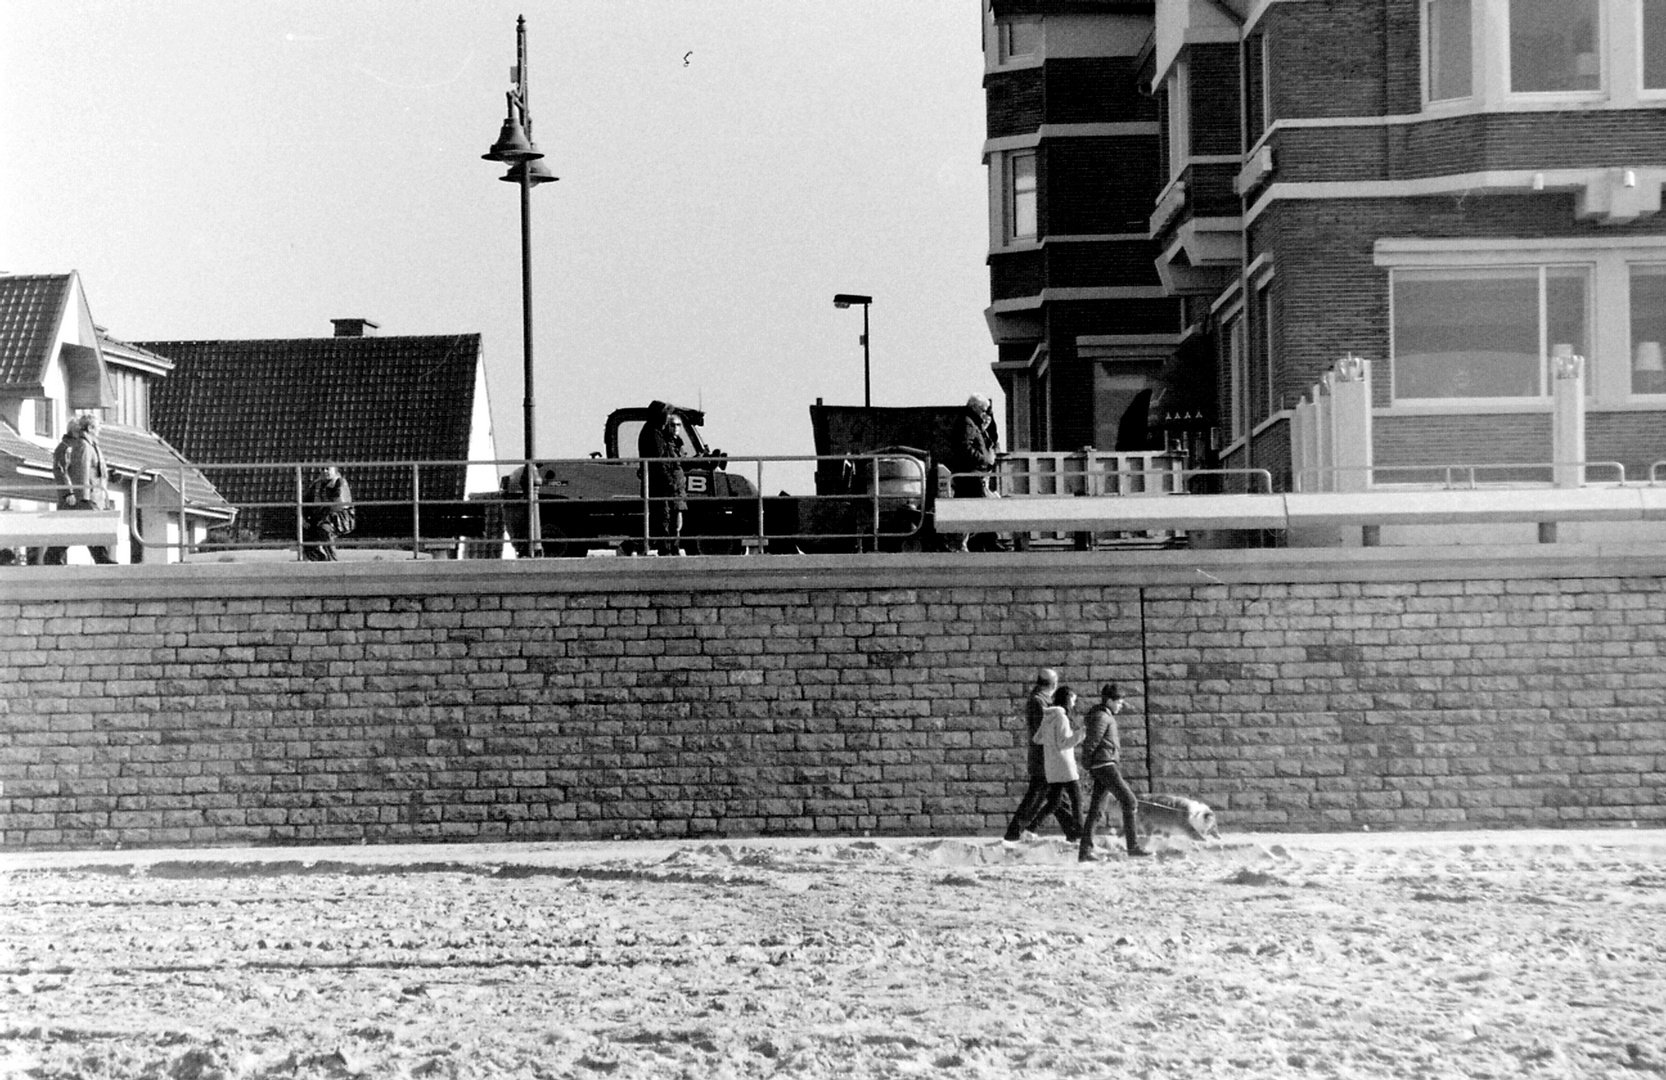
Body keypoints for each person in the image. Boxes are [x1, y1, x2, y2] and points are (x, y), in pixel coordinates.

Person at [1003, 668, 1082, 843]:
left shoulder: (1042, 701)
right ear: (1054, 684)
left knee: (1057, 798)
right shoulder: (1038, 702)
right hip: (1044, 759)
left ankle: (1074, 833)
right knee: (1037, 796)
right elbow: (1043, 733)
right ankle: (1014, 834)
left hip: (1047, 758)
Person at [1078, 683, 1151, 862]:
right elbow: (1091, 742)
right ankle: (1133, 847)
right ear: (1110, 701)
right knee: (1130, 801)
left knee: (1097, 810)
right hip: (1104, 765)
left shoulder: (1102, 715)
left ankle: (1085, 851)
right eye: (1119, 702)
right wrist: (1087, 764)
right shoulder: (1102, 717)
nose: (1121, 705)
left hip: (1103, 764)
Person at [44, 415, 116, 565]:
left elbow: (93, 471)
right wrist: (81, 496)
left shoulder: (89, 446)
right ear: (90, 428)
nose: (100, 430)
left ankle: (52, 557)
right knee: (89, 528)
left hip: (91, 496)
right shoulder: (82, 446)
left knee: (73, 529)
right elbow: (79, 472)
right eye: (97, 427)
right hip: (85, 497)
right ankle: (101, 559)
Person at [1029, 685, 1086, 842]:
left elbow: (1037, 739)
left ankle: (1031, 828)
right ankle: (1081, 833)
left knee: (1054, 803)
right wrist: (1081, 734)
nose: (1074, 705)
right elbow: (1063, 744)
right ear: (1067, 700)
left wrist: (1050, 743)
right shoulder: (1062, 718)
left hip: (1051, 766)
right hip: (1064, 766)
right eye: (1073, 701)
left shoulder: (1048, 717)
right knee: (1077, 799)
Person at [636, 400, 687, 556]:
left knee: (670, 518)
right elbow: (659, 463)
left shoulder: (657, 432)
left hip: (666, 484)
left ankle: (669, 548)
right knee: (663, 518)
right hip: (660, 484)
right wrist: (670, 482)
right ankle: (665, 549)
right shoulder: (653, 433)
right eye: (666, 414)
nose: (668, 418)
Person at [302, 466, 355, 562]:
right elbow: (305, 502)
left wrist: (322, 518)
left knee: (324, 529)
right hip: (320, 517)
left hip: (340, 518)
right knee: (304, 531)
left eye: (327, 469)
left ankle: (333, 560)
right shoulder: (316, 485)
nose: (324, 471)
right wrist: (304, 519)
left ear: (335, 471)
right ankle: (319, 559)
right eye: (322, 469)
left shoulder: (340, 482)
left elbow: (337, 503)